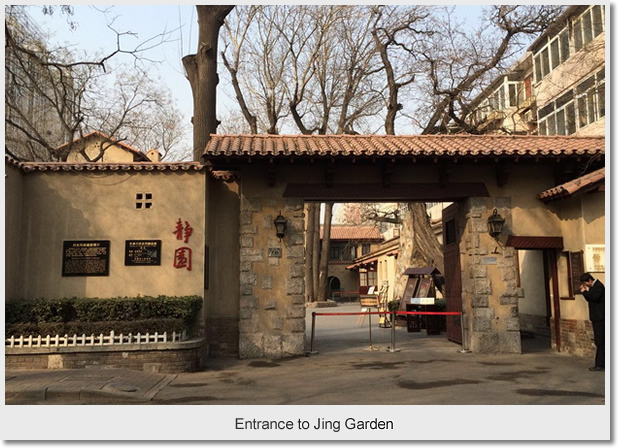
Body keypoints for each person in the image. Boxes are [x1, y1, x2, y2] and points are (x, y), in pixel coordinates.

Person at [579, 273, 605, 371]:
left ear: (590, 280)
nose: (586, 285)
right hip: (597, 317)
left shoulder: (598, 286)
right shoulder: (594, 287)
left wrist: (585, 292)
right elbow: (590, 299)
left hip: (600, 317)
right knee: (600, 340)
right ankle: (601, 362)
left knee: (600, 340)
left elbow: (595, 298)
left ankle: (600, 364)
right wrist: (584, 292)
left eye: (586, 282)